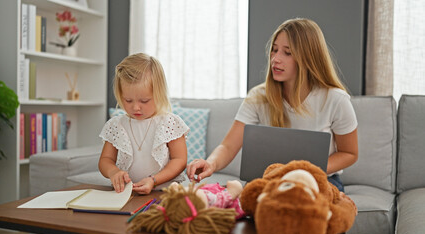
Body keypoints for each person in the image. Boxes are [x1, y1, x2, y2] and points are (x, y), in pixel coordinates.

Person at [186, 18, 358, 192]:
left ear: (308, 58)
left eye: (287, 53)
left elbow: (349, 153)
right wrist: (210, 163)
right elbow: (228, 146)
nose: (275, 59)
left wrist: (305, 171)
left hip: (319, 181)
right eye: (274, 50)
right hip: (271, 181)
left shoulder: (336, 99)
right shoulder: (258, 97)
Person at [99, 53, 189, 194]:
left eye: (144, 101)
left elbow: (180, 160)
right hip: (127, 192)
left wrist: (153, 180)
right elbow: (105, 159)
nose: (136, 107)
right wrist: (113, 172)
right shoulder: (116, 125)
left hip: (165, 191)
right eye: (128, 100)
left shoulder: (169, 122)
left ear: (159, 94)